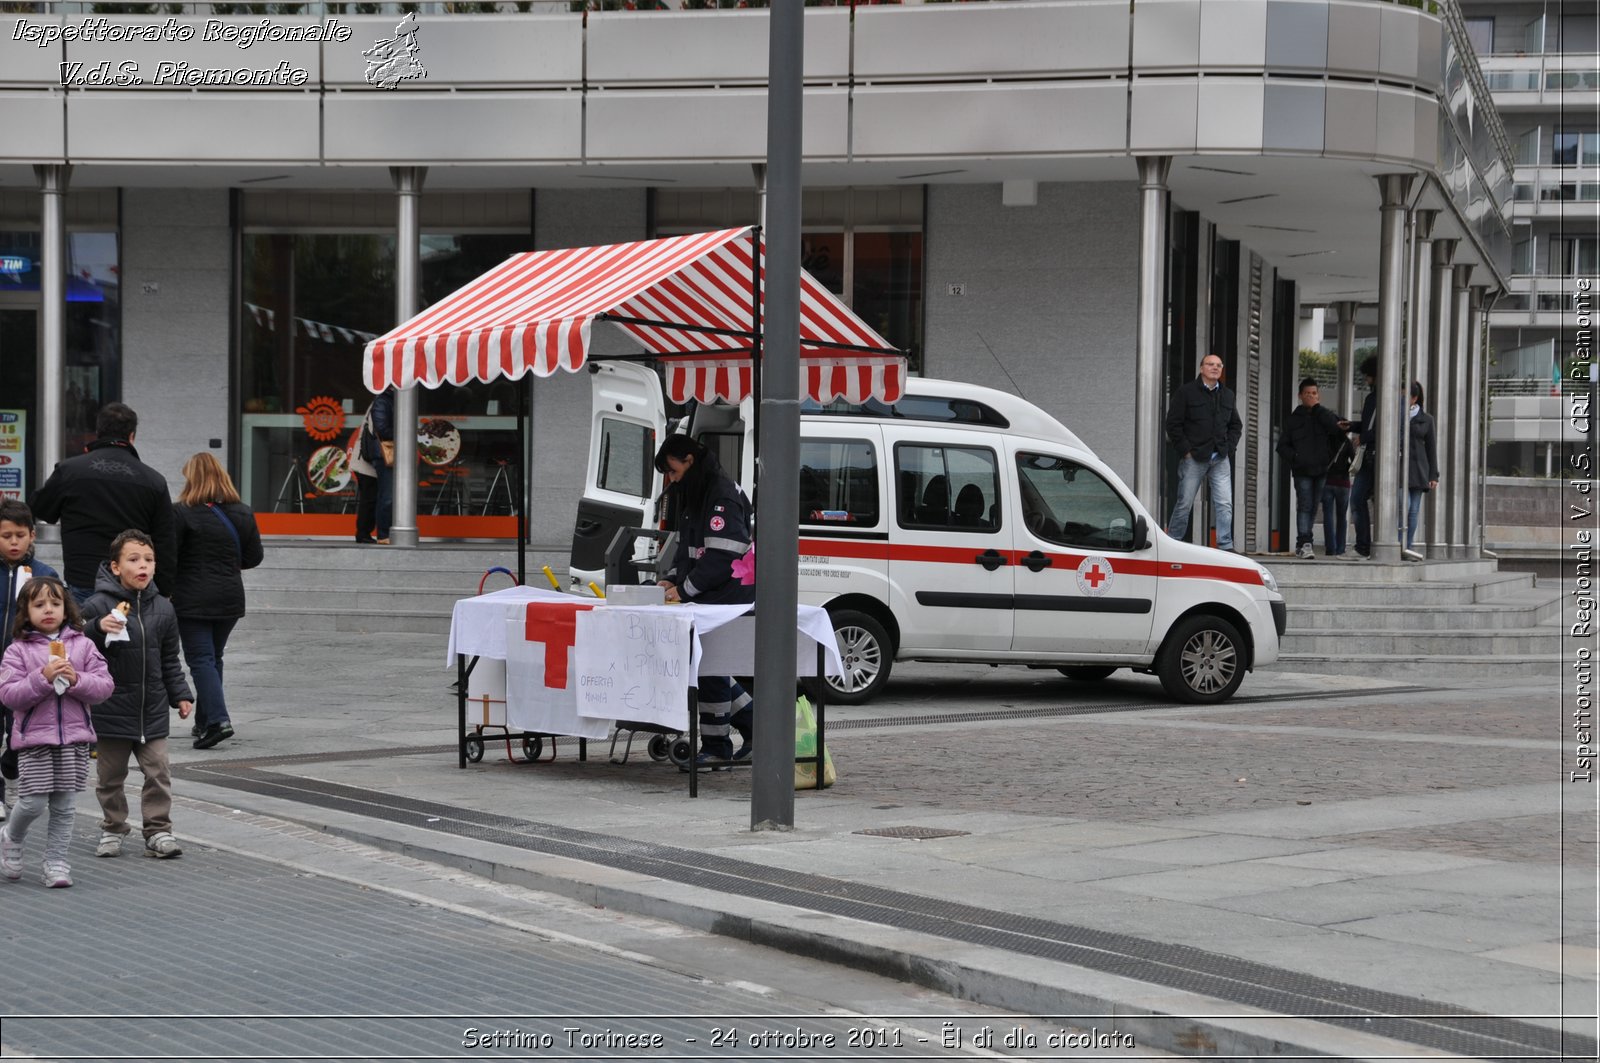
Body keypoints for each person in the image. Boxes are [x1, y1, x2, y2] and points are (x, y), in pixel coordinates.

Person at [80, 529, 194, 859]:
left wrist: (181, 694)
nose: (143, 565)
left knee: (158, 772)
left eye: (148, 559)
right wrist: (97, 628)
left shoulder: (163, 608)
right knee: (110, 777)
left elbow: (170, 657)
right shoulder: (97, 604)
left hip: (152, 708)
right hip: (111, 708)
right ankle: (113, 828)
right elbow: (79, 646)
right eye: (133, 560)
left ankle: (158, 831)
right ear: (115, 567)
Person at [0, 577, 113, 887]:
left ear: (66, 608)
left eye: (55, 603)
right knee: (33, 802)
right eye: (38, 605)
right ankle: (11, 836)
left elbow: (104, 687)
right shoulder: (18, 650)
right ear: (25, 611)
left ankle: (57, 863)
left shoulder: (83, 644)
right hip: (35, 739)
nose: (48, 610)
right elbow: (9, 694)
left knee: (64, 806)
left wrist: (77, 680)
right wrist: (42, 677)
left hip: (74, 739)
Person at [653, 435, 754, 767]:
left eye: (672, 470)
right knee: (712, 666)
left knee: (708, 669)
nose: (670, 478)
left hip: (728, 594)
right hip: (713, 594)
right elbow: (688, 546)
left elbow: (722, 556)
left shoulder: (720, 494)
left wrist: (684, 590)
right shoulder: (699, 492)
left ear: (690, 461)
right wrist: (671, 577)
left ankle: (716, 748)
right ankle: (754, 729)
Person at [31, 402, 176, 603]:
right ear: (132, 436)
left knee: (84, 634)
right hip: (131, 582)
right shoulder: (153, 481)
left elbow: (42, 509)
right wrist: (165, 589)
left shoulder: (70, 471)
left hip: (84, 578)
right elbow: (165, 540)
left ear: (98, 432)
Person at [171, 453, 265, 751]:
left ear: (192, 479)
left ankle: (218, 721)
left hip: (193, 597)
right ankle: (204, 721)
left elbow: (169, 557)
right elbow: (254, 557)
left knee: (201, 659)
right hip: (230, 596)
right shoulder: (243, 512)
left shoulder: (181, 512)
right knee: (214, 657)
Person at [0, 500, 60, 817]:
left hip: (24, 673)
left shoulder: (44, 575)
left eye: (19, 535)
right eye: (6, 535)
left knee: (18, 733)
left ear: (32, 535)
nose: (13, 542)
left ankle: (9, 772)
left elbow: (61, 619)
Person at [1164, 354, 1243, 552]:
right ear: (1201, 368)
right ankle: (1173, 543)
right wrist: (1186, 451)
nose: (1215, 368)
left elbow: (1236, 425)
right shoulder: (1186, 392)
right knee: (1184, 503)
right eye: (1210, 364)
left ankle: (1225, 545)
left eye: (1218, 365)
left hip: (1220, 458)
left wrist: (1229, 448)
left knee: (1225, 504)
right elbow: (1173, 424)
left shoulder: (1228, 395)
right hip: (1195, 458)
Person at [1275, 378, 1351, 559]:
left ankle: (1304, 542)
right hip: (1302, 471)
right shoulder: (1293, 419)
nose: (1311, 397)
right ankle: (1304, 542)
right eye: (1307, 393)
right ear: (1300, 396)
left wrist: (1317, 409)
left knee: (1314, 507)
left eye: (1314, 393)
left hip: (1322, 470)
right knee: (1305, 505)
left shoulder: (1324, 415)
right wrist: (1296, 458)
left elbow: (1338, 429)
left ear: (1319, 396)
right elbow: (1282, 446)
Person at [1401, 381, 1440, 555]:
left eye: (1404, 396)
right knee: (1404, 504)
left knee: (1414, 510)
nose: (1401, 399)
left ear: (1414, 398)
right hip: (1400, 468)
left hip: (1419, 469)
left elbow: (1432, 448)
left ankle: (1407, 545)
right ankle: (1398, 543)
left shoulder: (1427, 419)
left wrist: (1434, 475)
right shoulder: (1396, 415)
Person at [352, 389, 395, 545]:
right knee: (371, 498)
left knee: (372, 498)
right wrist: (406, 432)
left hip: (371, 458)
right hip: (368, 460)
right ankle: (365, 534)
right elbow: (382, 429)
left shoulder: (384, 401)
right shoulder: (383, 402)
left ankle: (365, 534)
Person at [1350, 356, 1379, 558]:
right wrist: (1351, 426)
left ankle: (1363, 546)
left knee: (1357, 499)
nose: (1366, 380)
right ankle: (1366, 546)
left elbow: (1375, 428)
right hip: (1379, 456)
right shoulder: (1392, 396)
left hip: (1371, 455)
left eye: (1367, 376)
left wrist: (1363, 436)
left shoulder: (1374, 398)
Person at [1322, 429, 1356, 559]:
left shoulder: (1327, 441)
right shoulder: (1346, 442)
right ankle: (1340, 548)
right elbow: (1353, 461)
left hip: (1328, 482)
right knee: (1342, 517)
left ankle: (1330, 548)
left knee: (1328, 516)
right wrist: (1345, 466)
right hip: (1343, 483)